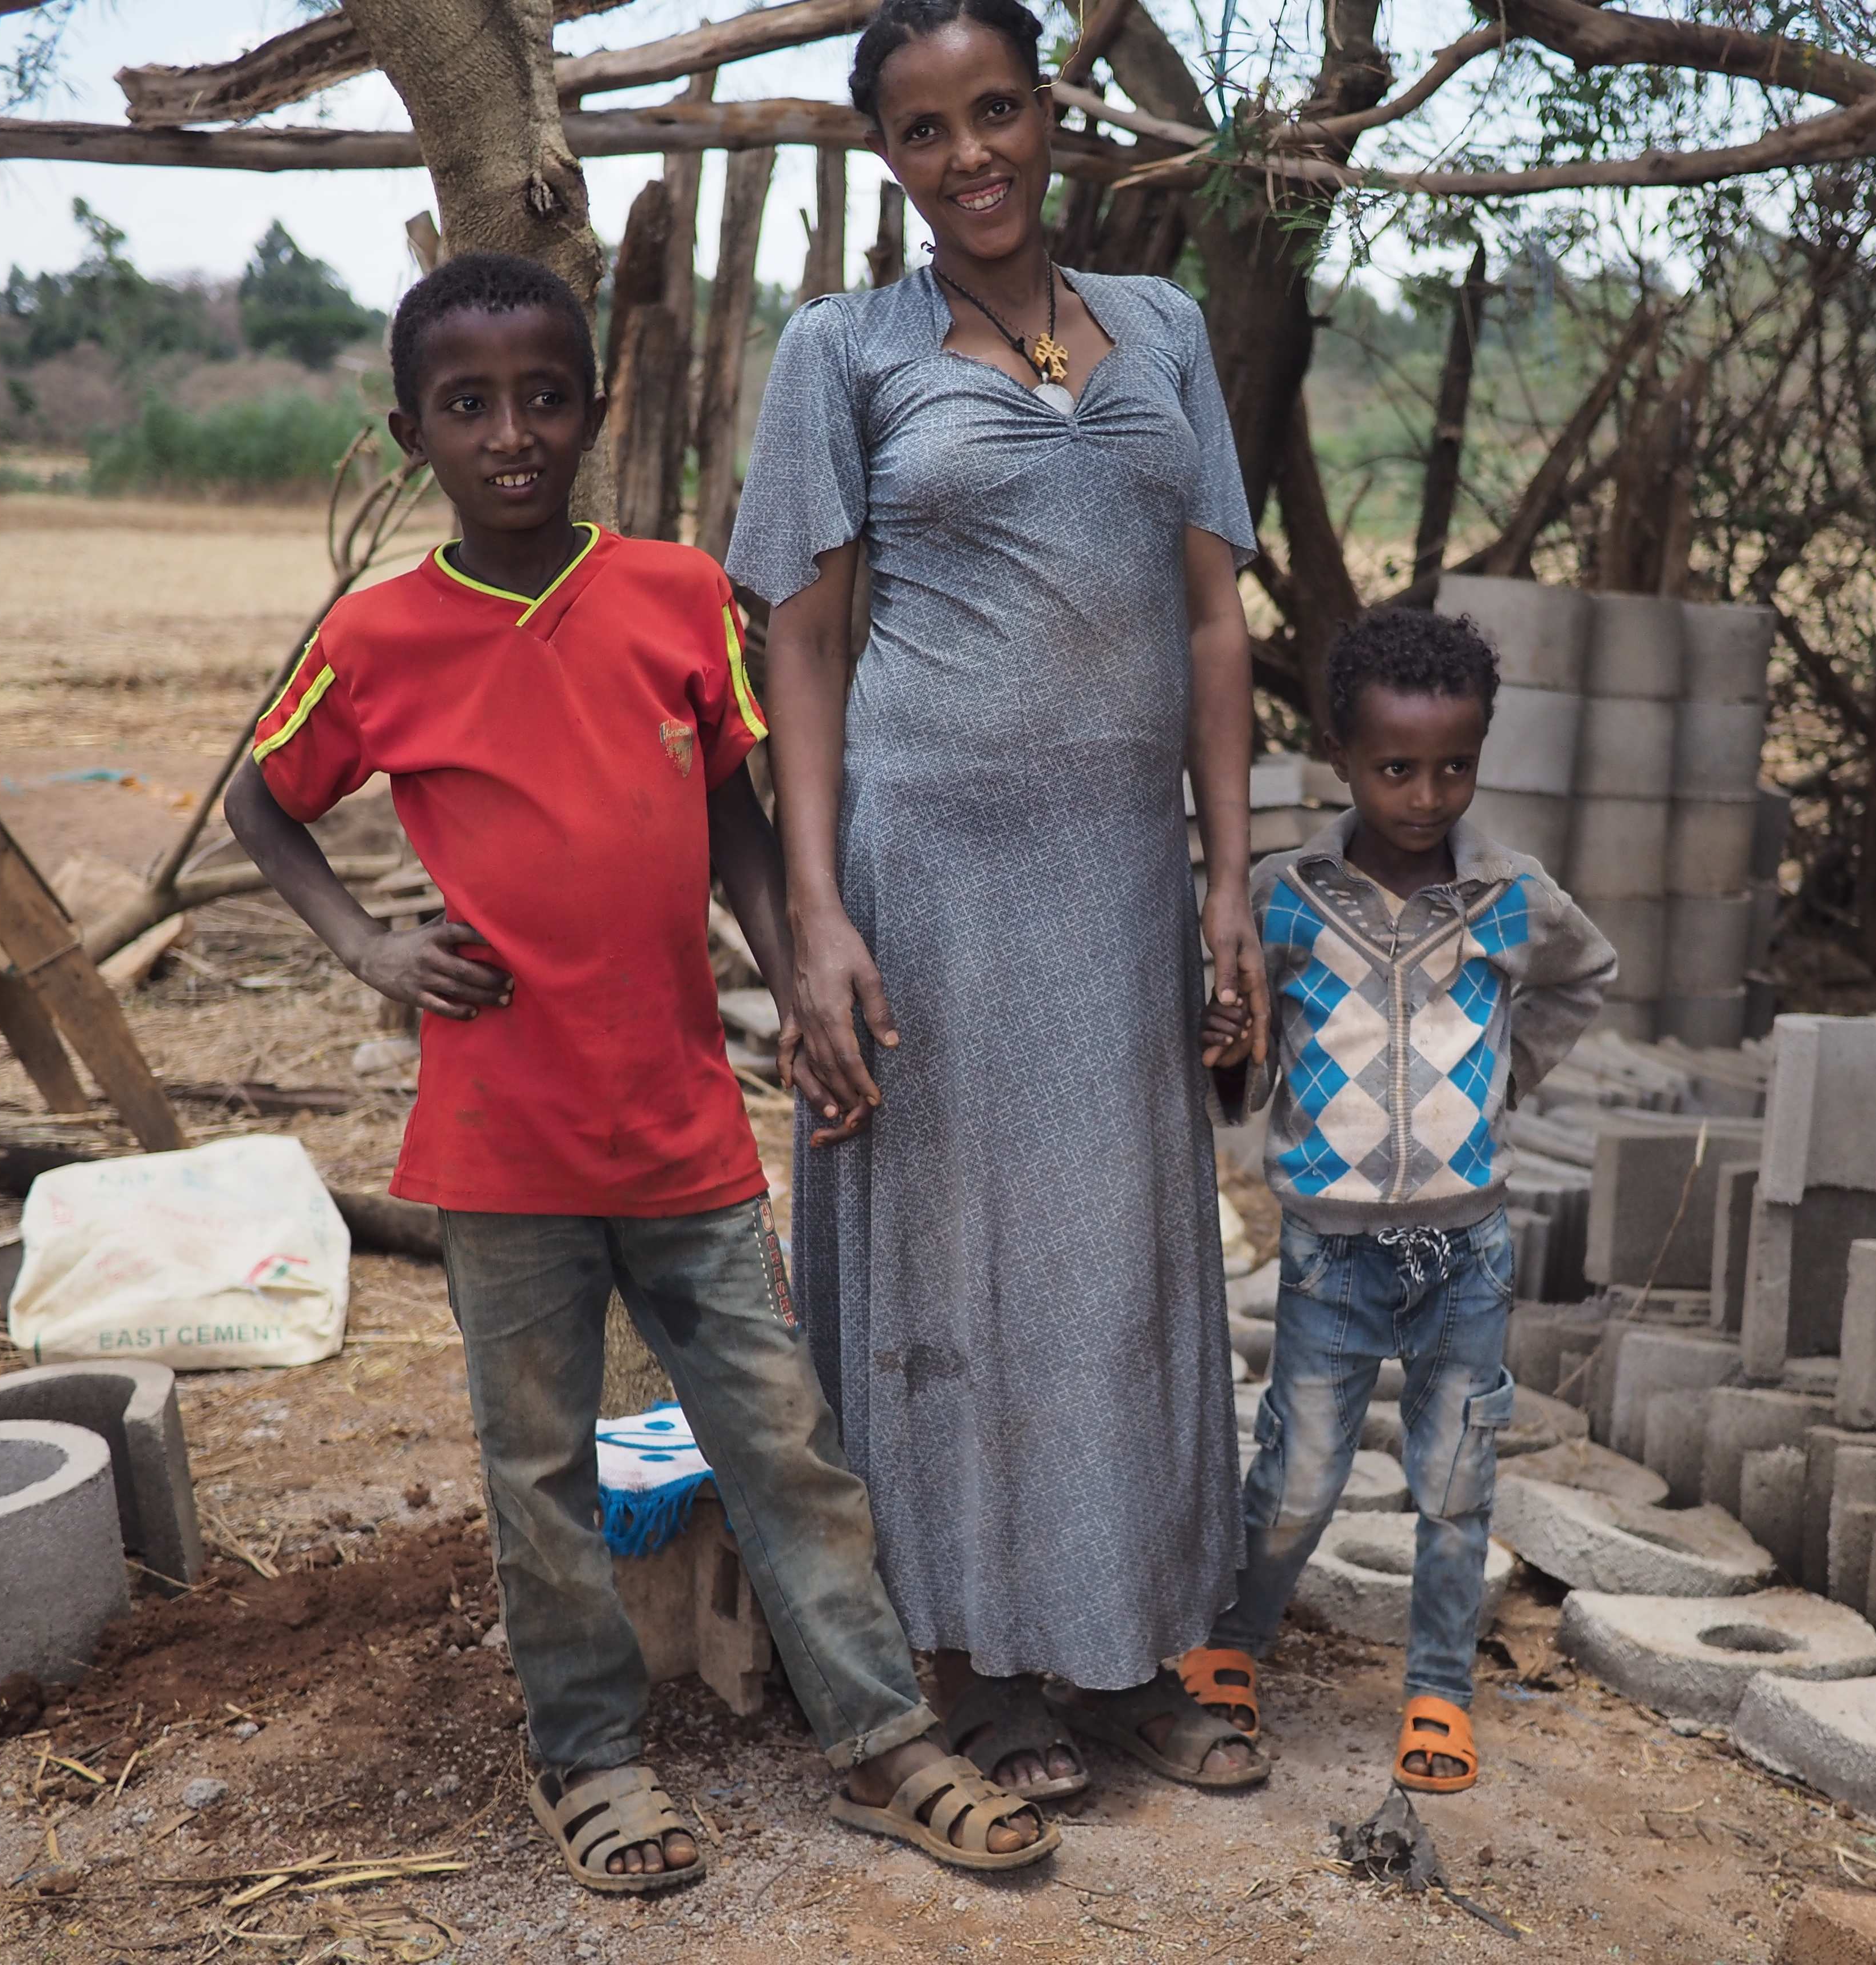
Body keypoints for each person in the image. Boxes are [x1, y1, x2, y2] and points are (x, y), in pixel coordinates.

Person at [221, 251, 1053, 1892]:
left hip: (680, 1129)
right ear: (413, 433)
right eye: (469, 407)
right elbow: (262, 799)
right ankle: (589, 1757)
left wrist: (798, 960)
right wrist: (372, 951)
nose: (512, 434)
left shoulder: (677, 596)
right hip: (502, 1143)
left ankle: (882, 1737)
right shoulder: (379, 636)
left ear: (593, 411)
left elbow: (740, 812)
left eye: (544, 397)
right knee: (539, 1473)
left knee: (779, 1434)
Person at [726, 0, 1269, 1797]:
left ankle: (1127, 1648)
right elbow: (799, 644)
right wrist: (813, 915)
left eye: (999, 111)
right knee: (949, 1261)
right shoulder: (846, 348)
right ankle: (968, 1666)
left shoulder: (1169, 334)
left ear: (1055, 114)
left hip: (1115, 880)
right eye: (925, 130)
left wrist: (1227, 887)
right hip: (927, 872)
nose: (973, 157)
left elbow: (1209, 623)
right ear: (885, 155)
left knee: (1121, 1258)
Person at [1181, 609, 1617, 1793]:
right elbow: (1237, 1065)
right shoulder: (1283, 896)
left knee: (1457, 1476)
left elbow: (1585, 977)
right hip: (1329, 1252)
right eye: (1396, 768)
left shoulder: (1510, 897)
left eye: (1456, 767)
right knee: (1301, 1468)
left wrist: (1503, 1079)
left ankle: (1438, 1687)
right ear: (1337, 754)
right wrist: (1236, 1047)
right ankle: (1234, 1641)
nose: (1428, 796)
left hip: (1467, 1248)